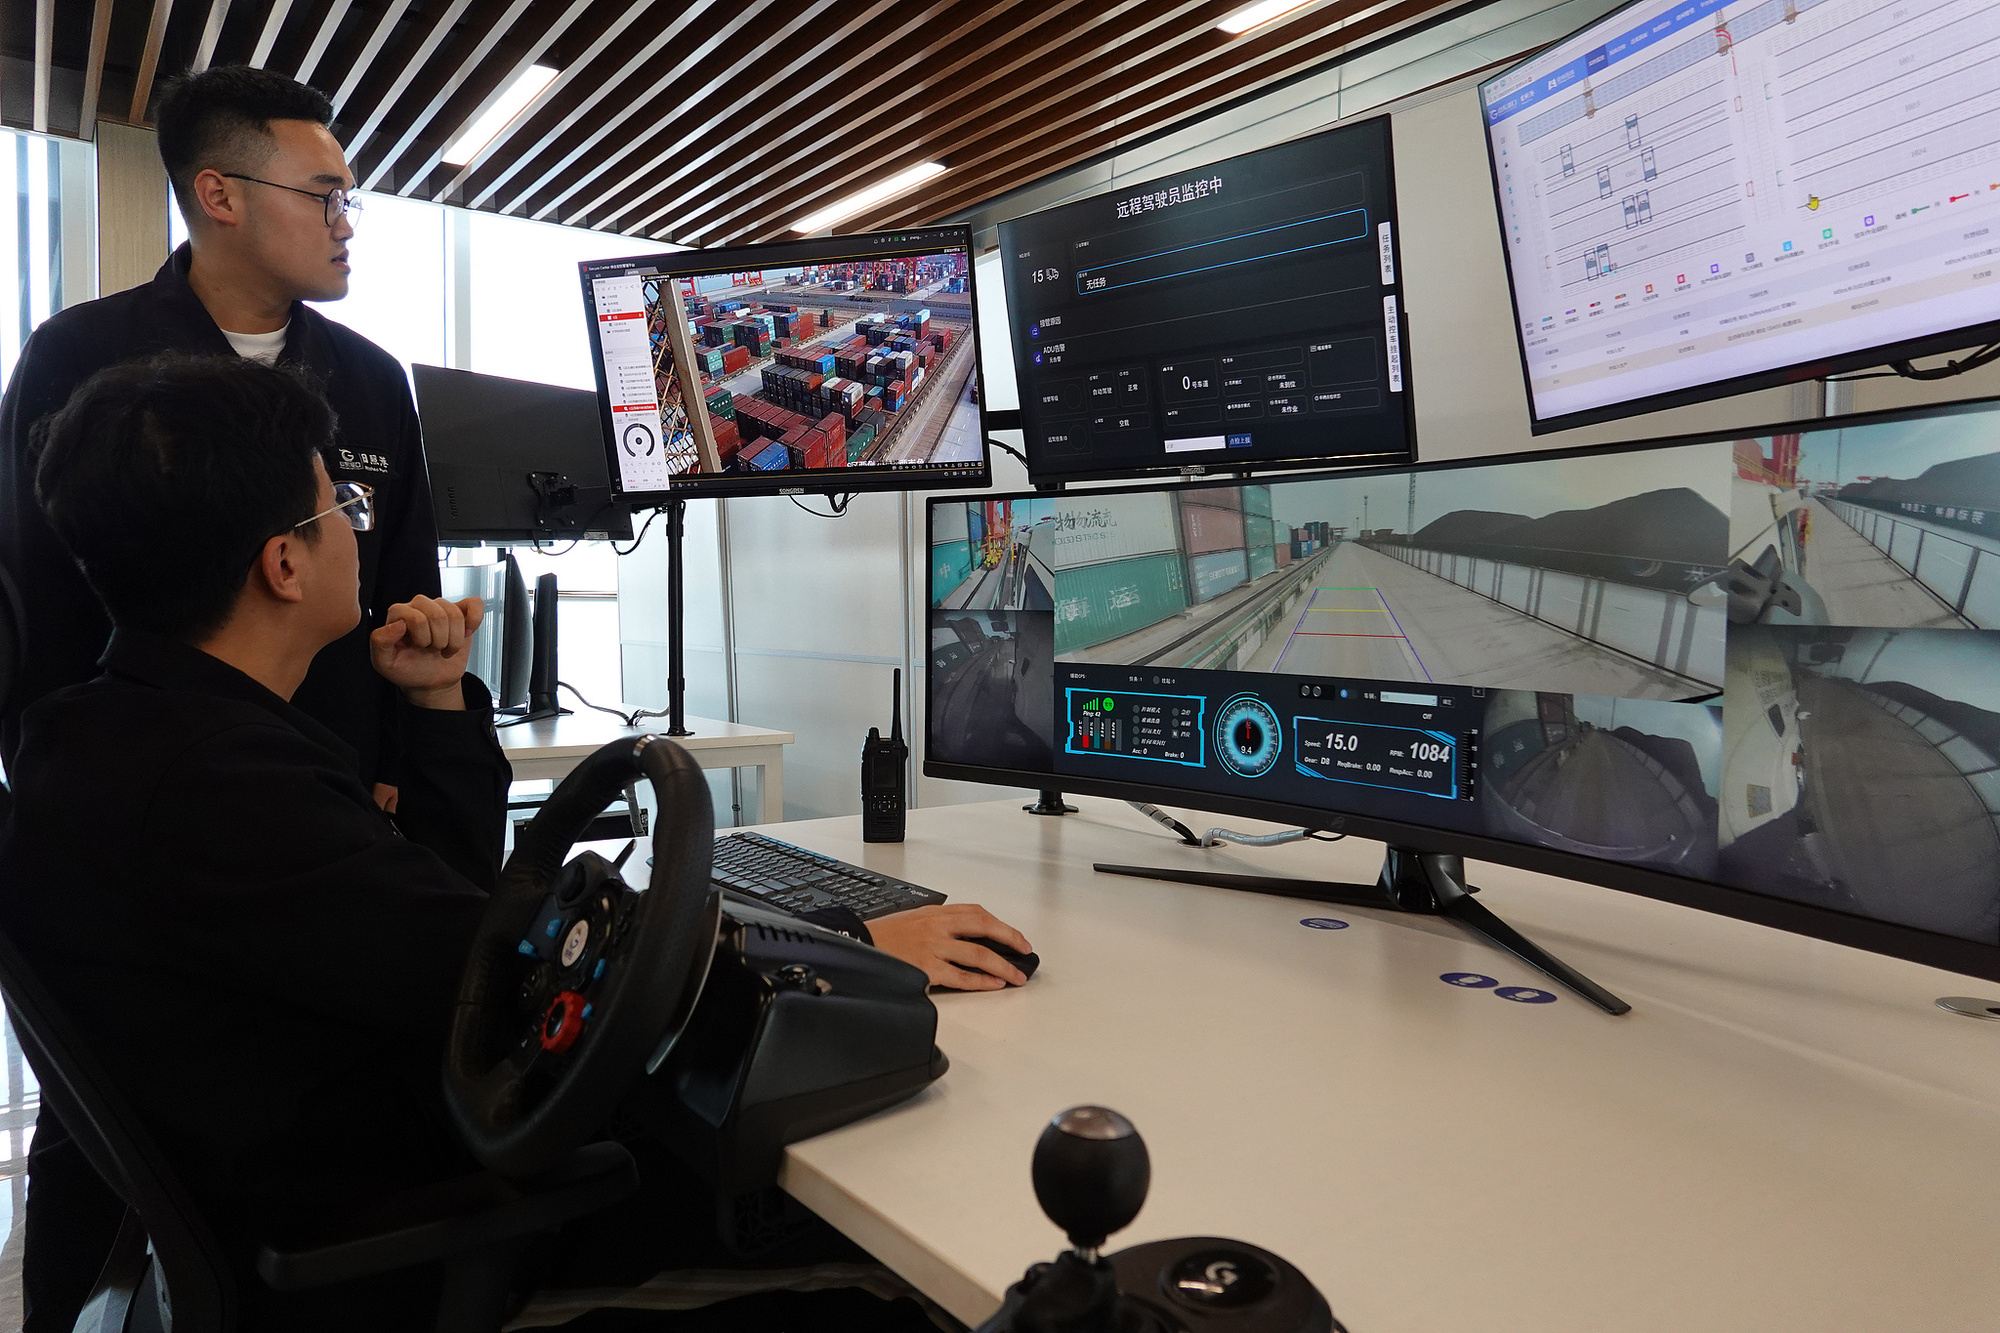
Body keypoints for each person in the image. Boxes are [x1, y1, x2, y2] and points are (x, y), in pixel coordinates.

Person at [0, 354, 1033, 1330]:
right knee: (907, 1252)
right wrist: (846, 943)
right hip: (427, 1238)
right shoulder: (223, 790)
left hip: (365, 1156)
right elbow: (524, 976)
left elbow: (453, 923)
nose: (359, 528)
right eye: (342, 507)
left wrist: (438, 705)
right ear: (282, 564)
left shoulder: (106, 735)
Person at [0, 66, 442, 1324]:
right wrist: (69, 803)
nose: (347, 221)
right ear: (220, 194)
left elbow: (400, 586)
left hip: (330, 799)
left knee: (317, 1072)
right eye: (324, 193)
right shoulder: (83, 358)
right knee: (106, 1125)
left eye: (353, 197)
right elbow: (35, 596)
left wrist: (399, 755)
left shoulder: (368, 378)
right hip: (145, 803)